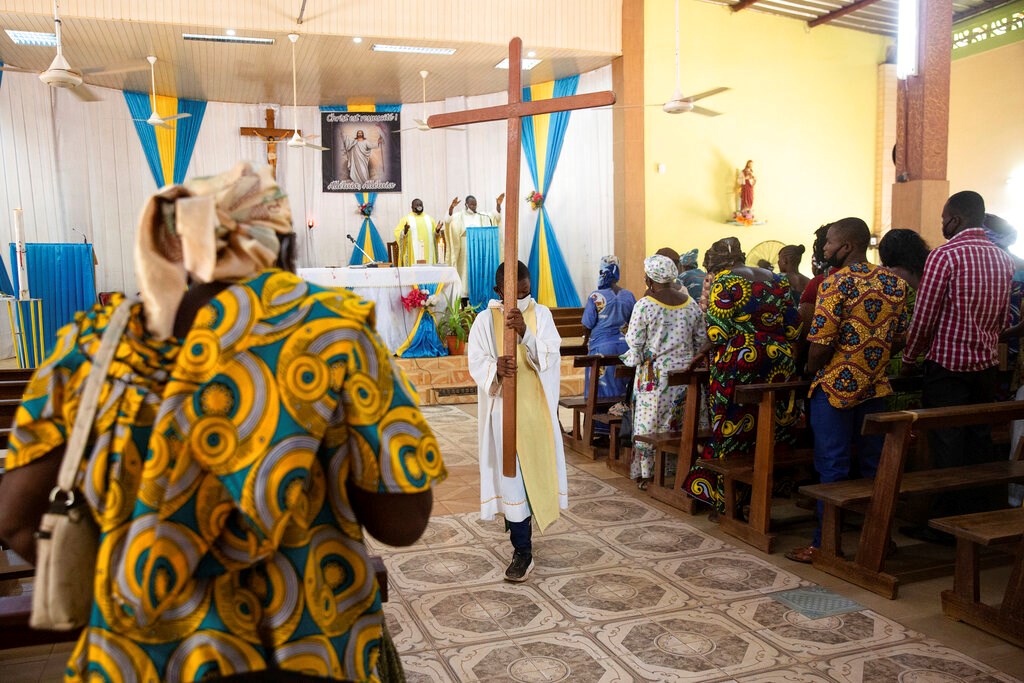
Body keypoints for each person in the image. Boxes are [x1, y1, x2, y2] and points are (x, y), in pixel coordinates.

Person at [0, 162, 444, 682]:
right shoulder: (332, 332)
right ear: (281, 247)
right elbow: (403, 522)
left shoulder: (93, 343)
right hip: (310, 647)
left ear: (181, 244)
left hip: (141, 659)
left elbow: (13, 518)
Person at [785, 218, 909, 563]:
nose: (824, 249)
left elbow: (821, 342)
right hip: (877, 386)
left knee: (833, 465)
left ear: (847, 246)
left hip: (835, 388)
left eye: (828, 243)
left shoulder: (835, 283)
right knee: (874, 466)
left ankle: (826, 543)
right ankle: (879, 540)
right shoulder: (893, 282)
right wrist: (872, 359)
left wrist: (812, 369)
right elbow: (899, 337)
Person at [901, 190, 1015, 539]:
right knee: (977, 438)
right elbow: (1001, 318)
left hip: (948, 366)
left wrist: (909, 357)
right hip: (984, 364)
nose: (942, 225)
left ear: (956, 219)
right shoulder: (1003, 259)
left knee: (946, 441)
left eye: (943, 219)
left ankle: (947, 525)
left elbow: (925, 316)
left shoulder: (944, 256)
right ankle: (977, 518)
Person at [684, 237, 802, 513]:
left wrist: (701, 354)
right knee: (770, 424)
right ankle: (767, 491)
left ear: (715, 263)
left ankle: (728, 498)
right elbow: (794, 327)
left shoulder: (724, 280)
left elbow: (718, 332)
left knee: (732, 426)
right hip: (778, 358)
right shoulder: (777, 279)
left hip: (739, 359)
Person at [468, 260, 567, 583]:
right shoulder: (484, 321)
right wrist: (494, 368)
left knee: (531, 477)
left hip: (535, 410)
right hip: (504, 412)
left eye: (527, 292)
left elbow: (552, 357)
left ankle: (522, 532)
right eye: (517, 294)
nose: (523, 300)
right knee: (512, 478)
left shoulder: (542, 316)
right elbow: (476, 361)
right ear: (499, 291)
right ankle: (522, 550)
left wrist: (527, 336)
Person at [622, 255, 706, 489]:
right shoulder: (691, 304)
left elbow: (635, 342)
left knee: (650, 425)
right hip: (686, 376)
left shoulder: (646, 305)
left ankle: (648, 474)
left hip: (654, 378)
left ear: (649, 279)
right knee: (682, 423)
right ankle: (682, 470)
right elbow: (701, 341)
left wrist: (631, 358)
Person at [582, 256, 636, 418]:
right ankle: (619, 426)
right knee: (620, 386)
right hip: (624, 348)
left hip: (601, 348)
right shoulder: (628, 295)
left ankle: (598, 427)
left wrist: (585, 341)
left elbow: (587, 324)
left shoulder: (596, 296)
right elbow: (634, 321)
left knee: (599, 387)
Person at [446, 194, 505, 307]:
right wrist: (451, 208)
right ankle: (465, 298)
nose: (474, 206)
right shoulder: (459, 216)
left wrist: (498, 205)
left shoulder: (482, 216)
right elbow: (448, 221)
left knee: (479, 273)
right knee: (466, 276)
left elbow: (496, 217)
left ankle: (481, 296)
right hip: (466, 251)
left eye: (475, 204)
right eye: (471, 204)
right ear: (466, 204)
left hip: (479, 251)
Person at [394, 197, 443, 265]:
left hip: (428, 253)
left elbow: (435, 237)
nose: (419, 207)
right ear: (412, 207)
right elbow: (397, 233)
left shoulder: (430, 219)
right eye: (416, 205)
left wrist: (437, 231)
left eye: (420, 205)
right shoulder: (406, 219)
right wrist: (404, 232)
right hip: (412, 255)